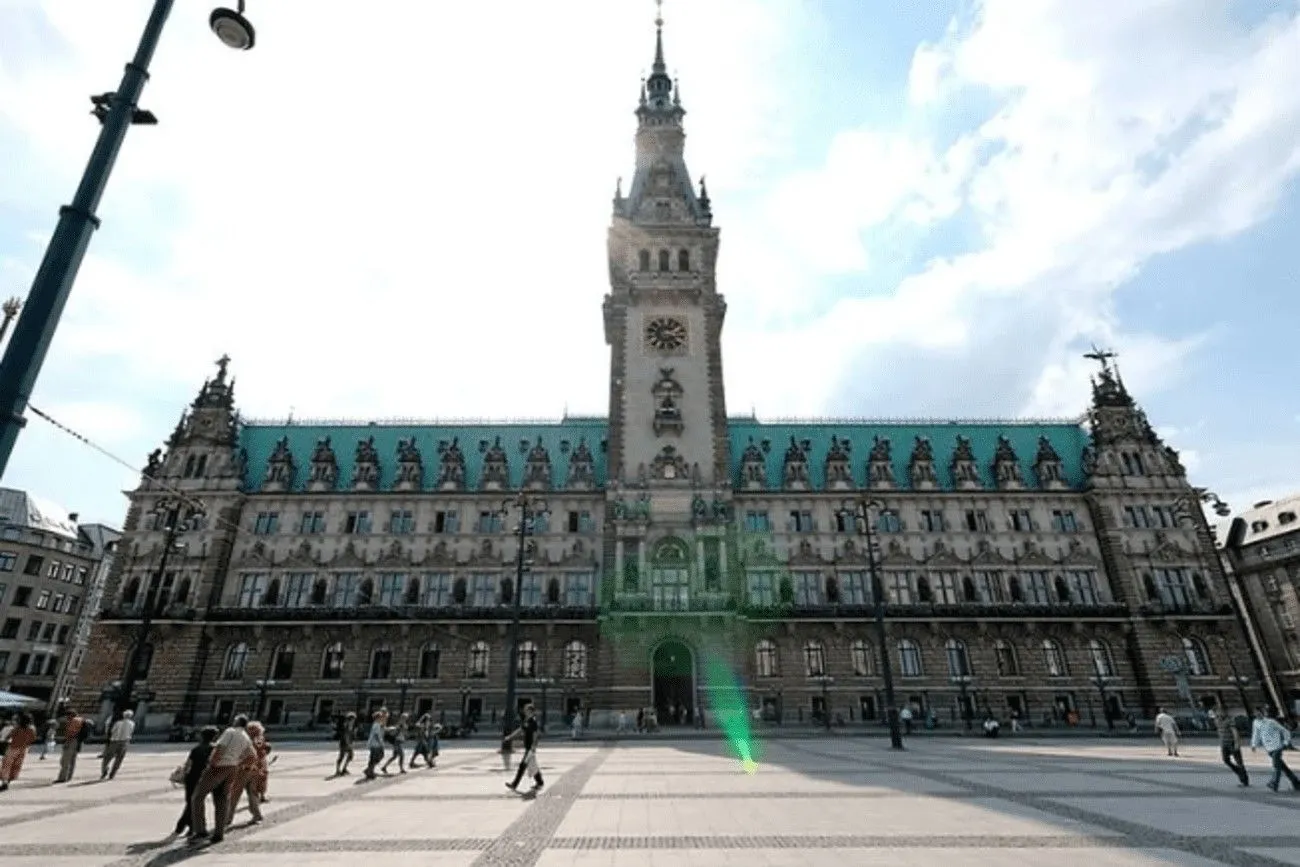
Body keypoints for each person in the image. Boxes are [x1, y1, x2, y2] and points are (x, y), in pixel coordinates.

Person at [187, 714, 255, 844]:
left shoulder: (230, 731)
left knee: (197, 797)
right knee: (222, 799)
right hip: (232, 768)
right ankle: (219, 833)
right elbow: (252, 755)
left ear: (237, 722)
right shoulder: (246, 737)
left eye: (234, 719)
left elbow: (220, 748)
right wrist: (239, 763)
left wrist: (212, 763)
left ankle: (200, 831)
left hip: (219, 766)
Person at [174, 727, 221, 836]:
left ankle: (184, 827)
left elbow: (188, 765)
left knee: (190, 802)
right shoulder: (215, 749)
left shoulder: (196, 749)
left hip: (192, 778)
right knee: (195, 803)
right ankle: (188, 827)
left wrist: (183, 774)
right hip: (206, 777)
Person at [1251, 707, 1300, 793]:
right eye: (1256, 714)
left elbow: (1285, 731)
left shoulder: (1271, 722)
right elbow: (1256, 734)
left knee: (1276, 766)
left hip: (1277, 747)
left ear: (1263, 713)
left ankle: (1274, 783)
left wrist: (1285, 742)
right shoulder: (1255, 723)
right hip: (1268, 748)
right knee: (1283, 767)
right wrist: (1254, 744)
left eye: (1259, 713)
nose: (1258, 715)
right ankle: (1296, 783)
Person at [503, 703, 544, 794]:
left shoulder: (533, 721)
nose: (525, 712)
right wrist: (510, 737)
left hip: (530, 748)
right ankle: (540, 782)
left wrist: (533, 746)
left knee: (522, 766)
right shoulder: (527, 721)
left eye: (526, 710)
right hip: (528, 748)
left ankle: (514, 784)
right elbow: (520, 730)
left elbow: (535, 734)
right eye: (525, 710)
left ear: (531, 711)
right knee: (532, 765)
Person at [1208, 701, 1248, 787]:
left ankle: (1244, 780)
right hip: (1224, 744)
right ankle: (1238, 771)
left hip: (1232, 743)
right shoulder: (1216, 720)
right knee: (1225, 760)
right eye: (1219, 711)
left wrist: (1237, 743)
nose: (1220, 713)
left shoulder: (1230, 720)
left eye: (1222, 711)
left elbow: (1235, 732)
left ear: (1225, 712)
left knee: (1239, 762)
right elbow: (1211, 716)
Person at [0, 712, 37, 791]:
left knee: (7, 764)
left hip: (13, 748)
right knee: (16, 765)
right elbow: (33, 739)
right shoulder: (32, 729)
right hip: (23, 749)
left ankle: (4, 782)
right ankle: (9, 780)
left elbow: (8, 736)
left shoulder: (18, 728)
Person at [55, 709, 89, 783]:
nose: (66, 718)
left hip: (72, 741)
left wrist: (67, 742)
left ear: (70, 715)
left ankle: (62, 777)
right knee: (72, 760)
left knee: (65, 760)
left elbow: (71, 733)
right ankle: (69, 776)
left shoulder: (74, 721)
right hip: (78, 742)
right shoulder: (81, 720)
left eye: (67, 716)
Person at [101, 710, 136, 780]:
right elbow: (131, 732)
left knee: (107, 758)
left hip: (115, 741)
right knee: (119, 759)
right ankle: (112, 774)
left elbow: (112, 731)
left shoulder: (118, 723)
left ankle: (104, 770)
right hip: (125, 742)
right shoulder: (132, 723)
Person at [364, 709, 388, 780]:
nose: (382, 718)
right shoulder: (376, 725)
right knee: (376, 757)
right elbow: (377, 735)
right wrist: (381, 743)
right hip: (375, 744)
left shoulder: (377, 724)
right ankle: (370, 771)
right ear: (377, 718)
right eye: (380, 717)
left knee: (376, 757)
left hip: (375, 744)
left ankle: (369, 770)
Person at [335, 711, 356, 776]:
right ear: (350, 719)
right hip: (344, 743)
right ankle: (338, 770)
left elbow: (351, 735)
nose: (354, 721)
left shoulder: (351, 726)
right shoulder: (346, 725)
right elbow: (345, 735)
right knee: (342, 756)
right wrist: (348, 744)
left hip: (348, 743)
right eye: (353, 719)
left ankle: (344, 769)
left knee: (350, 756)